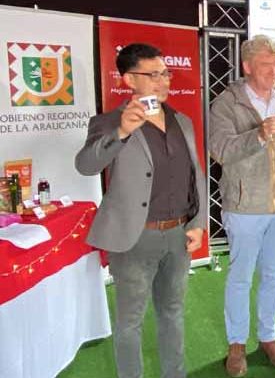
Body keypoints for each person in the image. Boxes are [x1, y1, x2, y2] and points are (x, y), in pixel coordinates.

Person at [75, 43, 206, 378]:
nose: (163, 81)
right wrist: (122, 131)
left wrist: (197, 222)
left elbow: (196, 174)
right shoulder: (108, 122)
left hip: (178, 235)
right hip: (134, 239)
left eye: (166, 73)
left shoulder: (182, 121)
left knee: (172, 313)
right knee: (130, 323)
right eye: (153, 75)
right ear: (129, 80)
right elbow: (86, 165)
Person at [208, 35, 275, 376]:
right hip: (244, 207)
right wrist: (259, 134)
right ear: (247, 66)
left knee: (273, 275)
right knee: (241, 277)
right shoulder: (226, 104)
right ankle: (236, 344)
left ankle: (267, 336)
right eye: (266, 64)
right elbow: (220, 150)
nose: (273, 71)